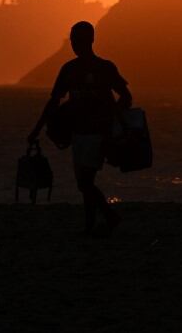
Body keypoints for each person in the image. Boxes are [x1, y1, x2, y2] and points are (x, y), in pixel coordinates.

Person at [28, 21, 132, 236]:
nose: (76, 44)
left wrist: (111, 117)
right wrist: (37, 130)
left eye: (79, 40)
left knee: (85, 182)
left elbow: (126, 97)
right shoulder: (70, 69)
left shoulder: (102, 68)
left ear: (91, 40)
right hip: (78, 134)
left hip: (98, 134)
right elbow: (54, 101)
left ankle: (108, 218)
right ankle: (91, 224)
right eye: (74, 40)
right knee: (85, 182)